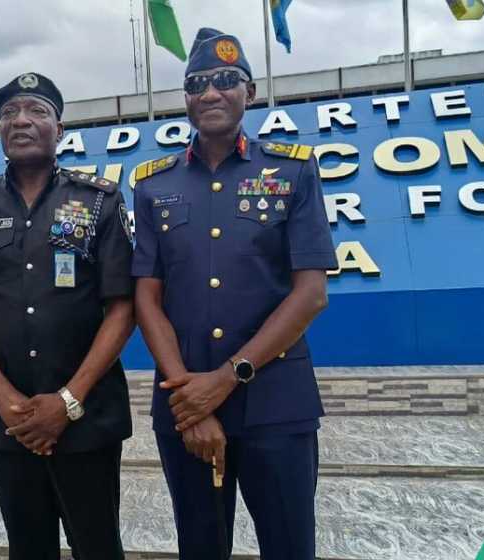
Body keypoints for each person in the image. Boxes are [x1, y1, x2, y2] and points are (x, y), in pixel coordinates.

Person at [131, 28, 338, 559]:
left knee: (290, 546)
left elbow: (310, 293)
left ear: (250, 92)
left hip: (276, 402)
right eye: (197, 83)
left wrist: (225, 380)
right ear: (186, 99)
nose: (211, 92)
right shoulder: (154, 184)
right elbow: (147, 299)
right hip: (185, 407)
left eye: (227, 80)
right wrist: (189, 400)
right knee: (200, 547)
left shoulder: (292, 170)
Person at [0, 72, 135, 560]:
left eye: (36, 111)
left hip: (87, 416)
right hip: (9, 420)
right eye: (9, 113)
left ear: (59, 127)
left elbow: (122, 308)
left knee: (98, 545)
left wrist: (67, 401)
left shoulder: (98, 201)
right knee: (27, 547)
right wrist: (7, 400)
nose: (21, 121)